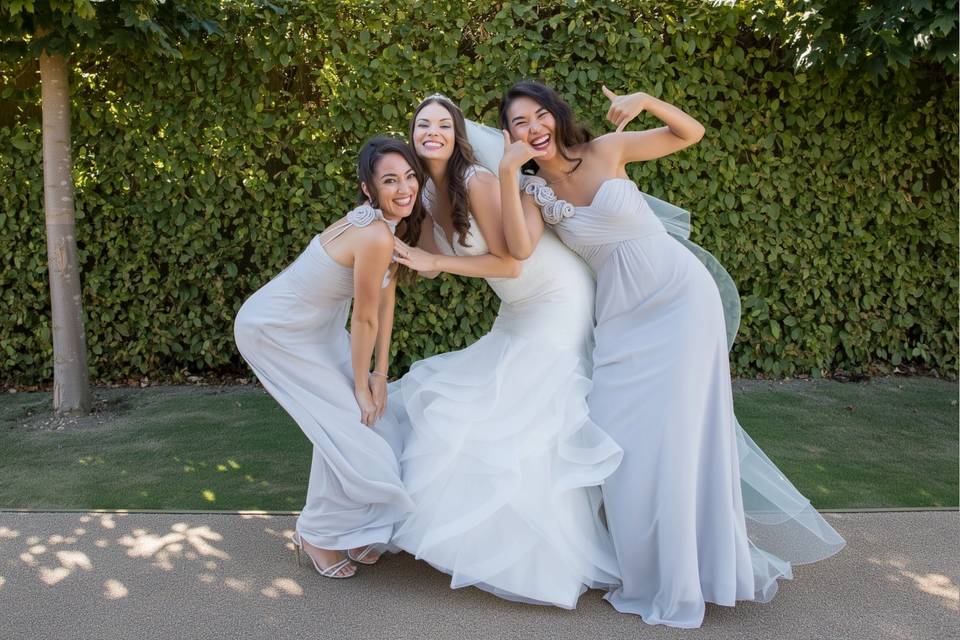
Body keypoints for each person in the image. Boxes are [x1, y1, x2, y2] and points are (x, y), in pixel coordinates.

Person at [497, 80, 845, 628]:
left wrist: (644, 102)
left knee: (685, 437)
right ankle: (653, 570)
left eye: (541, 115)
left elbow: (690, 133)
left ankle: (696, 575)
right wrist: (506, 173)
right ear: (509, 133)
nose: (535, 127)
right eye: (521, 122)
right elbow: (517, 250)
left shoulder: (606, 150)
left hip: (682, 302)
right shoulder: (532, 192)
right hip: (622, 321)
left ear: (557, 115)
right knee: (622, 439)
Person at [388, 94, 623, 609]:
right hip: (516, 309)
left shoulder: (477, 180)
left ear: (457, 134)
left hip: (555, 297)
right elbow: (419, 251)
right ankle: (471, 540)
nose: (434, 132)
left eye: (443, 124)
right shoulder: (427, 191)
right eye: (423, 124)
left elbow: (510, 263)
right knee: (469, 399)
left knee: (528, 414)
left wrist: (437, 264)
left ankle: (542, 562)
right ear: (412, 134)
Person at [233, 136, 425, 579]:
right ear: (367, 188)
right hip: (276, 331)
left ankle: (349, 530)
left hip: (314, 329)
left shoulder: (385, 227)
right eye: (390, 180)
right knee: (353, 421)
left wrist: (380, 374)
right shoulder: (373, 233)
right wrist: (361, 385)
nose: (405, 188)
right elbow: (363, 321)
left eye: (410, 177)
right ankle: (317, 532)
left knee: (380, 421)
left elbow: (386, 299)